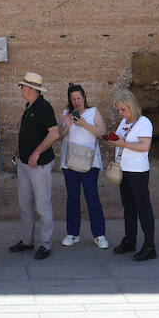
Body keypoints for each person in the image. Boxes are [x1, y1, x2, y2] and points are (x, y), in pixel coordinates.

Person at [7, 71, 59, 260]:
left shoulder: (44, 107)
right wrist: (22, 150)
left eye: (22, 86)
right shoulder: (29, 106)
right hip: (25, 163)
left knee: (42, 205)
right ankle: (27, 240)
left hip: (40, 164)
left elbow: (54, 133)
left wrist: (36, 152)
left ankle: (45, 244)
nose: (20, 89)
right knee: (25, 204)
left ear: (29, 89)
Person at [104, 90, 156, 261]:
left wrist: (122, 143)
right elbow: (122, 143)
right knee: (128, 207)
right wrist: (115, 142)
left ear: (131, 106)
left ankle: (149, 246)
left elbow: (144, 146)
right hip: (124, 170)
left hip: (137, 171)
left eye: (123, 109)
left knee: (143, 208)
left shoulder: (144, 122)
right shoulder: (125, 122)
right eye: (119, 110)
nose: (121, 113)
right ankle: (130, 240)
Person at [59, 83, 108, 250]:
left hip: (90, 163)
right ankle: (73, 234)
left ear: (84, 97)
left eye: (79, 98)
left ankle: (99, 235)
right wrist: (67, 125)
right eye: (73, 99)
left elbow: (103, 133)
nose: (76, 101)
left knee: (91, 197)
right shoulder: (66, 114)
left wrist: (84, 124)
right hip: (70, 162)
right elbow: (58, 137)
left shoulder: (93, 112)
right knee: (72, 197)